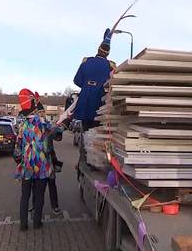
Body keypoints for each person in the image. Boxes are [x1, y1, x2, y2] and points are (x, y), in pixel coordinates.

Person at [14, 89, 65, 231]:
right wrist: (61, 122)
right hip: (42, 164)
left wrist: (21, 161)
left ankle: (23, 224)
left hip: (27, 164)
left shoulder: (22, 125)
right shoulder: (42, 123)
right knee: (39, 194)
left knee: (25, 195)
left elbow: (18, 146)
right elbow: (57, 133)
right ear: (35, 109)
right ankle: (37, 223)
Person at [73, 29, 116, 171]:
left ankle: (84, 159)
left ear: (98, 49)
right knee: (99, 134)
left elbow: (77, 80)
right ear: (108, 53)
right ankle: (96, 162)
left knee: (85, 133)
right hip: (99, 103)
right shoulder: (110, 66)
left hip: (84, 103)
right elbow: (112, 85)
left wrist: (87, 86)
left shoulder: (86, 62)